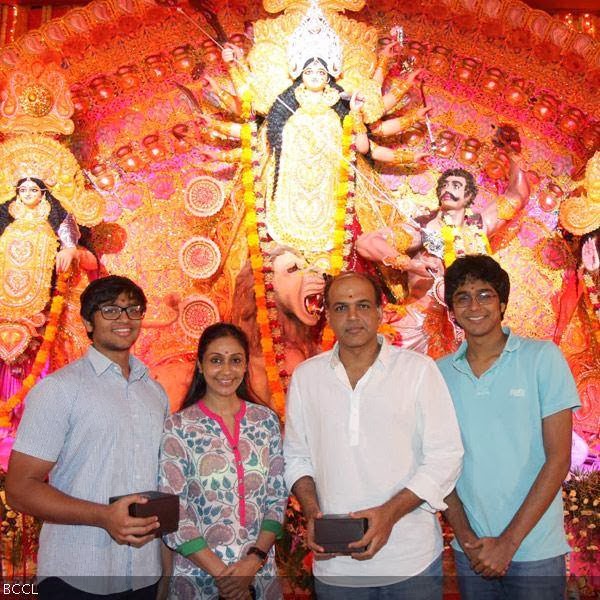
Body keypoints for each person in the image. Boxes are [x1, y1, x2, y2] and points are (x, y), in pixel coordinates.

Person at [283, 271, 463, 598]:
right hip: (337, 566)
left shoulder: (418, 370)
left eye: (363, 305)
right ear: (327, 315)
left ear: (380, 312)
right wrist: (312, 513)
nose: (352, 316)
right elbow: (296, 458)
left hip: (410, 561)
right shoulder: (307, 377)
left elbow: (445, 457)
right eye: (340, 307)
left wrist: (389, 514)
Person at [6, 275, 169, 599]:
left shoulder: (154, 392)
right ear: (87, 322)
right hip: (77, 573)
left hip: (144, 573)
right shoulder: (59, 390)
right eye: (110, 310)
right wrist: (103, 517)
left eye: (132, 309)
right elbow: (19, 490)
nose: (124, 319)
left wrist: (165, 568)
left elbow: (160, 484)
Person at [437, 255, 580, 599]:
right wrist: (467, 539)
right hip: (471, 550)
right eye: (463, 297)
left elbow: (559, 459)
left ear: (502, 303)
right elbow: (438, 463)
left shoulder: (542, 358)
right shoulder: (438, 373)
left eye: (485, 295)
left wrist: (508, 543)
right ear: (452, 310)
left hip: (534, 551)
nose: (475, 305)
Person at [357, 144, 530, 357]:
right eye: (444, 185)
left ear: (469, 196)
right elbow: (366, 243)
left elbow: (518, 195)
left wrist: (512, 154)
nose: (447, 189)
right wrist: (411, 264)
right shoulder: (424, 227)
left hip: (466, 331)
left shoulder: (479, 226)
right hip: (419, 324)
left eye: (456, 185)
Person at [158, 323, 287, 600]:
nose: (226, 371)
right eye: (216, 360)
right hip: (199, 576)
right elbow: (174, 512)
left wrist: (252, 562)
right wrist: (226, 578)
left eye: (235, 361)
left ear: (245, 366)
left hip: (258, 574)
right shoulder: (178, 426)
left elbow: (277, 498)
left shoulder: (265, 421)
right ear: (201, 366)